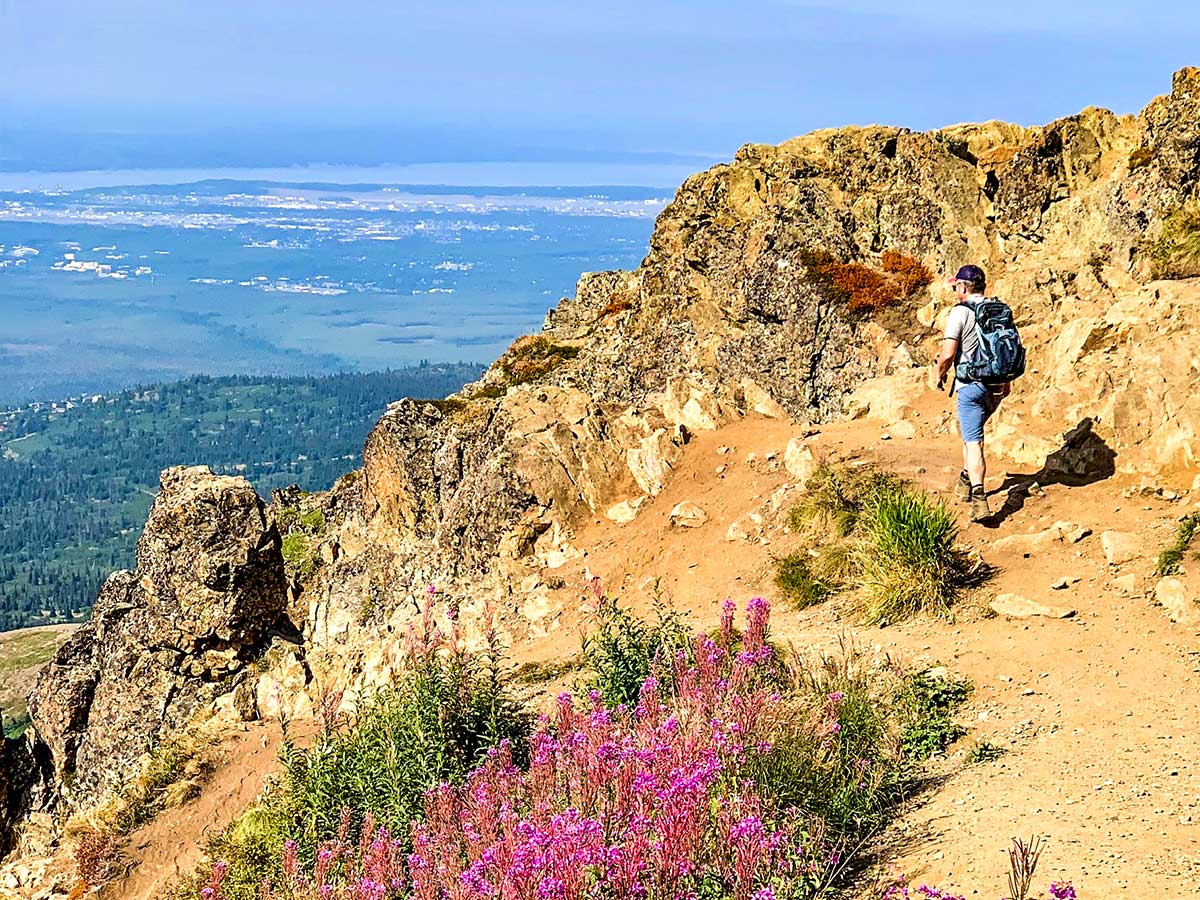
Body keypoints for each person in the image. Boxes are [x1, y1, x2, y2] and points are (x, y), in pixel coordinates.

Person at [935, 264, 1011, 522]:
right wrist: (1006, 382)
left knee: (973, 441)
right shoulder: (997, 309)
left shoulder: (960, 313)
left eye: (956, 285)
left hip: (971, 386)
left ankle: (980, 499)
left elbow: (948, 353)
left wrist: (940, 372)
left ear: (964, 287)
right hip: (997, 386)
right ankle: (965, 480)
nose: (955, 289)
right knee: (973, 433)